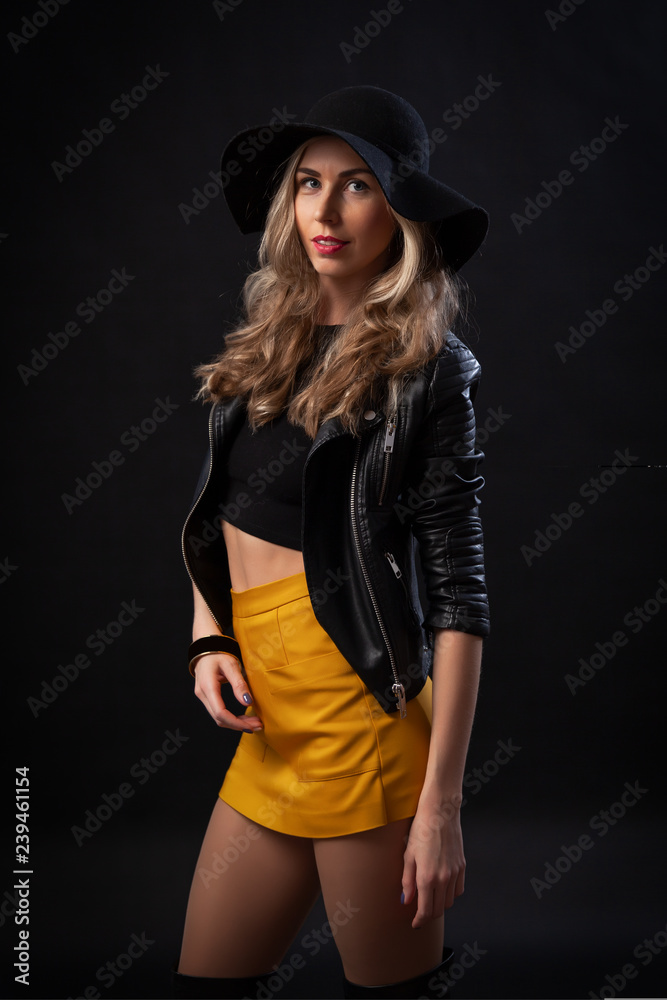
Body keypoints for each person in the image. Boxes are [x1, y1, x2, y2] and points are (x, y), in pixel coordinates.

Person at [174, 85, 490, 999]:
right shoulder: (266, 342)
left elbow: (461, 600)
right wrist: (208, 638)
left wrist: (441, 806)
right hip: (271, 728)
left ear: (400, 212)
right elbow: (215, 518)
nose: (325, 207)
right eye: (309, 183)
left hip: (361, 722)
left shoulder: (427, 373)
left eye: (357, 185)